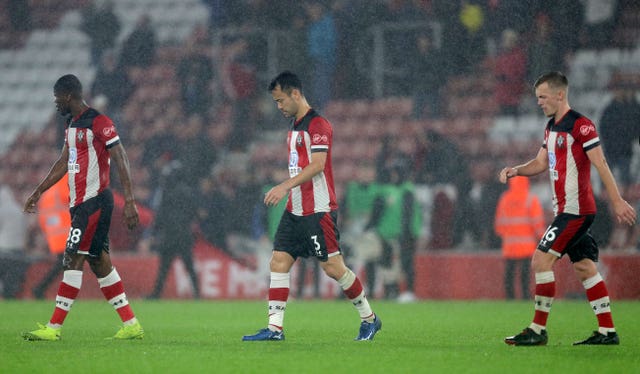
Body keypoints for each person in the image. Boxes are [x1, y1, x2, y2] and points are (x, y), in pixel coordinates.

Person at [500, 71, 637, 346]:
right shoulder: (551, 127)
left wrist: (617, 200)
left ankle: (538, 330)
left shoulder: (581, 125)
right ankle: (608, 332)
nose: (538, 102)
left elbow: (601, 164)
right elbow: (540, 163)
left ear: (559, 95)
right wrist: (516, 170)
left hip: (576, 211)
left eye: (542, 97)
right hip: (568, 210)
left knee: (540, 260)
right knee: (585, 267)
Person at [242, 71, 381, 341]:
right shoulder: (296, 125)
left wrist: (284, 186)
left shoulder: (318, 124)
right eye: (276, 102)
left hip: (318, 209)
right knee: (279, 260)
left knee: (333, 267)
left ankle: (370, 318)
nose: (279, 107)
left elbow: (317, 166)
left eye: (281, 100)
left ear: (296, 94)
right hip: (295, 209)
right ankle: (274, 329)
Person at [22, 74, 143, 341]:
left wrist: (131, 201)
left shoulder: (99, 122)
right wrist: (38, 191)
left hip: (95, 201)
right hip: (80, 204)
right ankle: (131, 324)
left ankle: (53, 328)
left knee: (72, 257)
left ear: (68, 96)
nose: (56, 104)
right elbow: (63, 162)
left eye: (57, 99)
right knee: (100, 264)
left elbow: (120, 155)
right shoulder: (72, 124)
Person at [494, 176, 545, 300]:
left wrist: (507, 234)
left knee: (509, 274)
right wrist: (543, 238)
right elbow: (537, 223)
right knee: (525, 275)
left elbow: (499, 225)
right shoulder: (531, 199)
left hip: (510, 246)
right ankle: (525, 297)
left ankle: (510, 298)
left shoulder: (505, 199)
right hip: (526, 246)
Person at [32, 176, 70, 299]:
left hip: (54, 234)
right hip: (66, 232)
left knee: (65, 263)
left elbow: (42, 217)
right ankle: (40, 288)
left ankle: (41, 288)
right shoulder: (64, 181)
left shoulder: (48, 191)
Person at [0, 184, 29, 299]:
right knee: (11, 278)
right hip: (18, 251)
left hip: (3, 250)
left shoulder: (2, 211)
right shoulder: (19, 210)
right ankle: (9, 295)